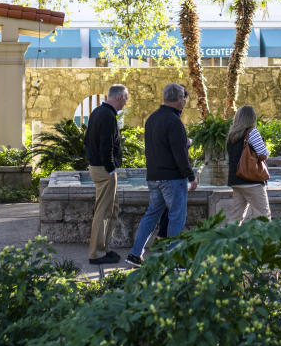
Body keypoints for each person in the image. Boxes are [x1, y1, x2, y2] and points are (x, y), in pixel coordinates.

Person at [126, 83, 197, 266]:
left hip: (154, 176)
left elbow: (158, 147)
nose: (184, 101)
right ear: (178, 99)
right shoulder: (174, 121)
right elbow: (179, 155)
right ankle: (175, 260)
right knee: (176, 218)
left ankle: (135, 254)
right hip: (172, 178)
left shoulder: (152, 119)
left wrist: (183, 143)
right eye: (183, 98)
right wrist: (191, 176)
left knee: (151, 216)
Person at [84, 84, 128, 265]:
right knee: (103, 211)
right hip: (104, 169)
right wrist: (111, 168)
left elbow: (87, 140)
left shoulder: (97, 112)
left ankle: (103, 248)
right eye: (125, 99)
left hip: (98, 167)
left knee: (112, 208)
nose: (125, 102)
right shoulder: (108, 116)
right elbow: (106, 146)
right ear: (118, 98)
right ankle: (96, 253)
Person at [225, 105, 271, 223]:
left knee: (235, 217)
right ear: (252, 118)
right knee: (263, 216)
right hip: (252, 182)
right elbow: (264, 154)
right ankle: (262, 242)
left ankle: (230, 240)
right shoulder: (252, 133)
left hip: (236, 181)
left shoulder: (231, 136)